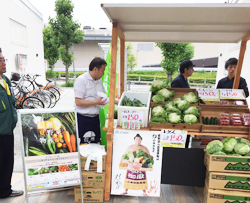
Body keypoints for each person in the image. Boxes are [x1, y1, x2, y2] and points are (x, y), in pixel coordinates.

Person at [74, 57, 117, 144]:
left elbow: (103, 97)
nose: (103, 73)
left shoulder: (99, 81)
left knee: (95, 143)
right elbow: (78, 102)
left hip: (95, 119)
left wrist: (115, 101)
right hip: (83, 118)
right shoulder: (81, 80)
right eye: (102, 70)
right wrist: (96, 102)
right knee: (83, 145)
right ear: (95, 69)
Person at [0, 49, 24, 198]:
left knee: (7, 162)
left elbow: (11, 101)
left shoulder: (5, 80)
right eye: (1, 60)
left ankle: (5, 190)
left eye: (4, 60)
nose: (4, 63)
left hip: (8, 130)